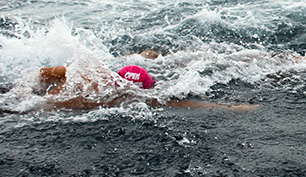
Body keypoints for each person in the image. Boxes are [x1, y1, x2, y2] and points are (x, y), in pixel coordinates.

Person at [36, 63, 258, 111]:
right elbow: (185, 104)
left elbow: (43, 73)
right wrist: (232, 108)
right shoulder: (117, 99)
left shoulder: (97, 71)